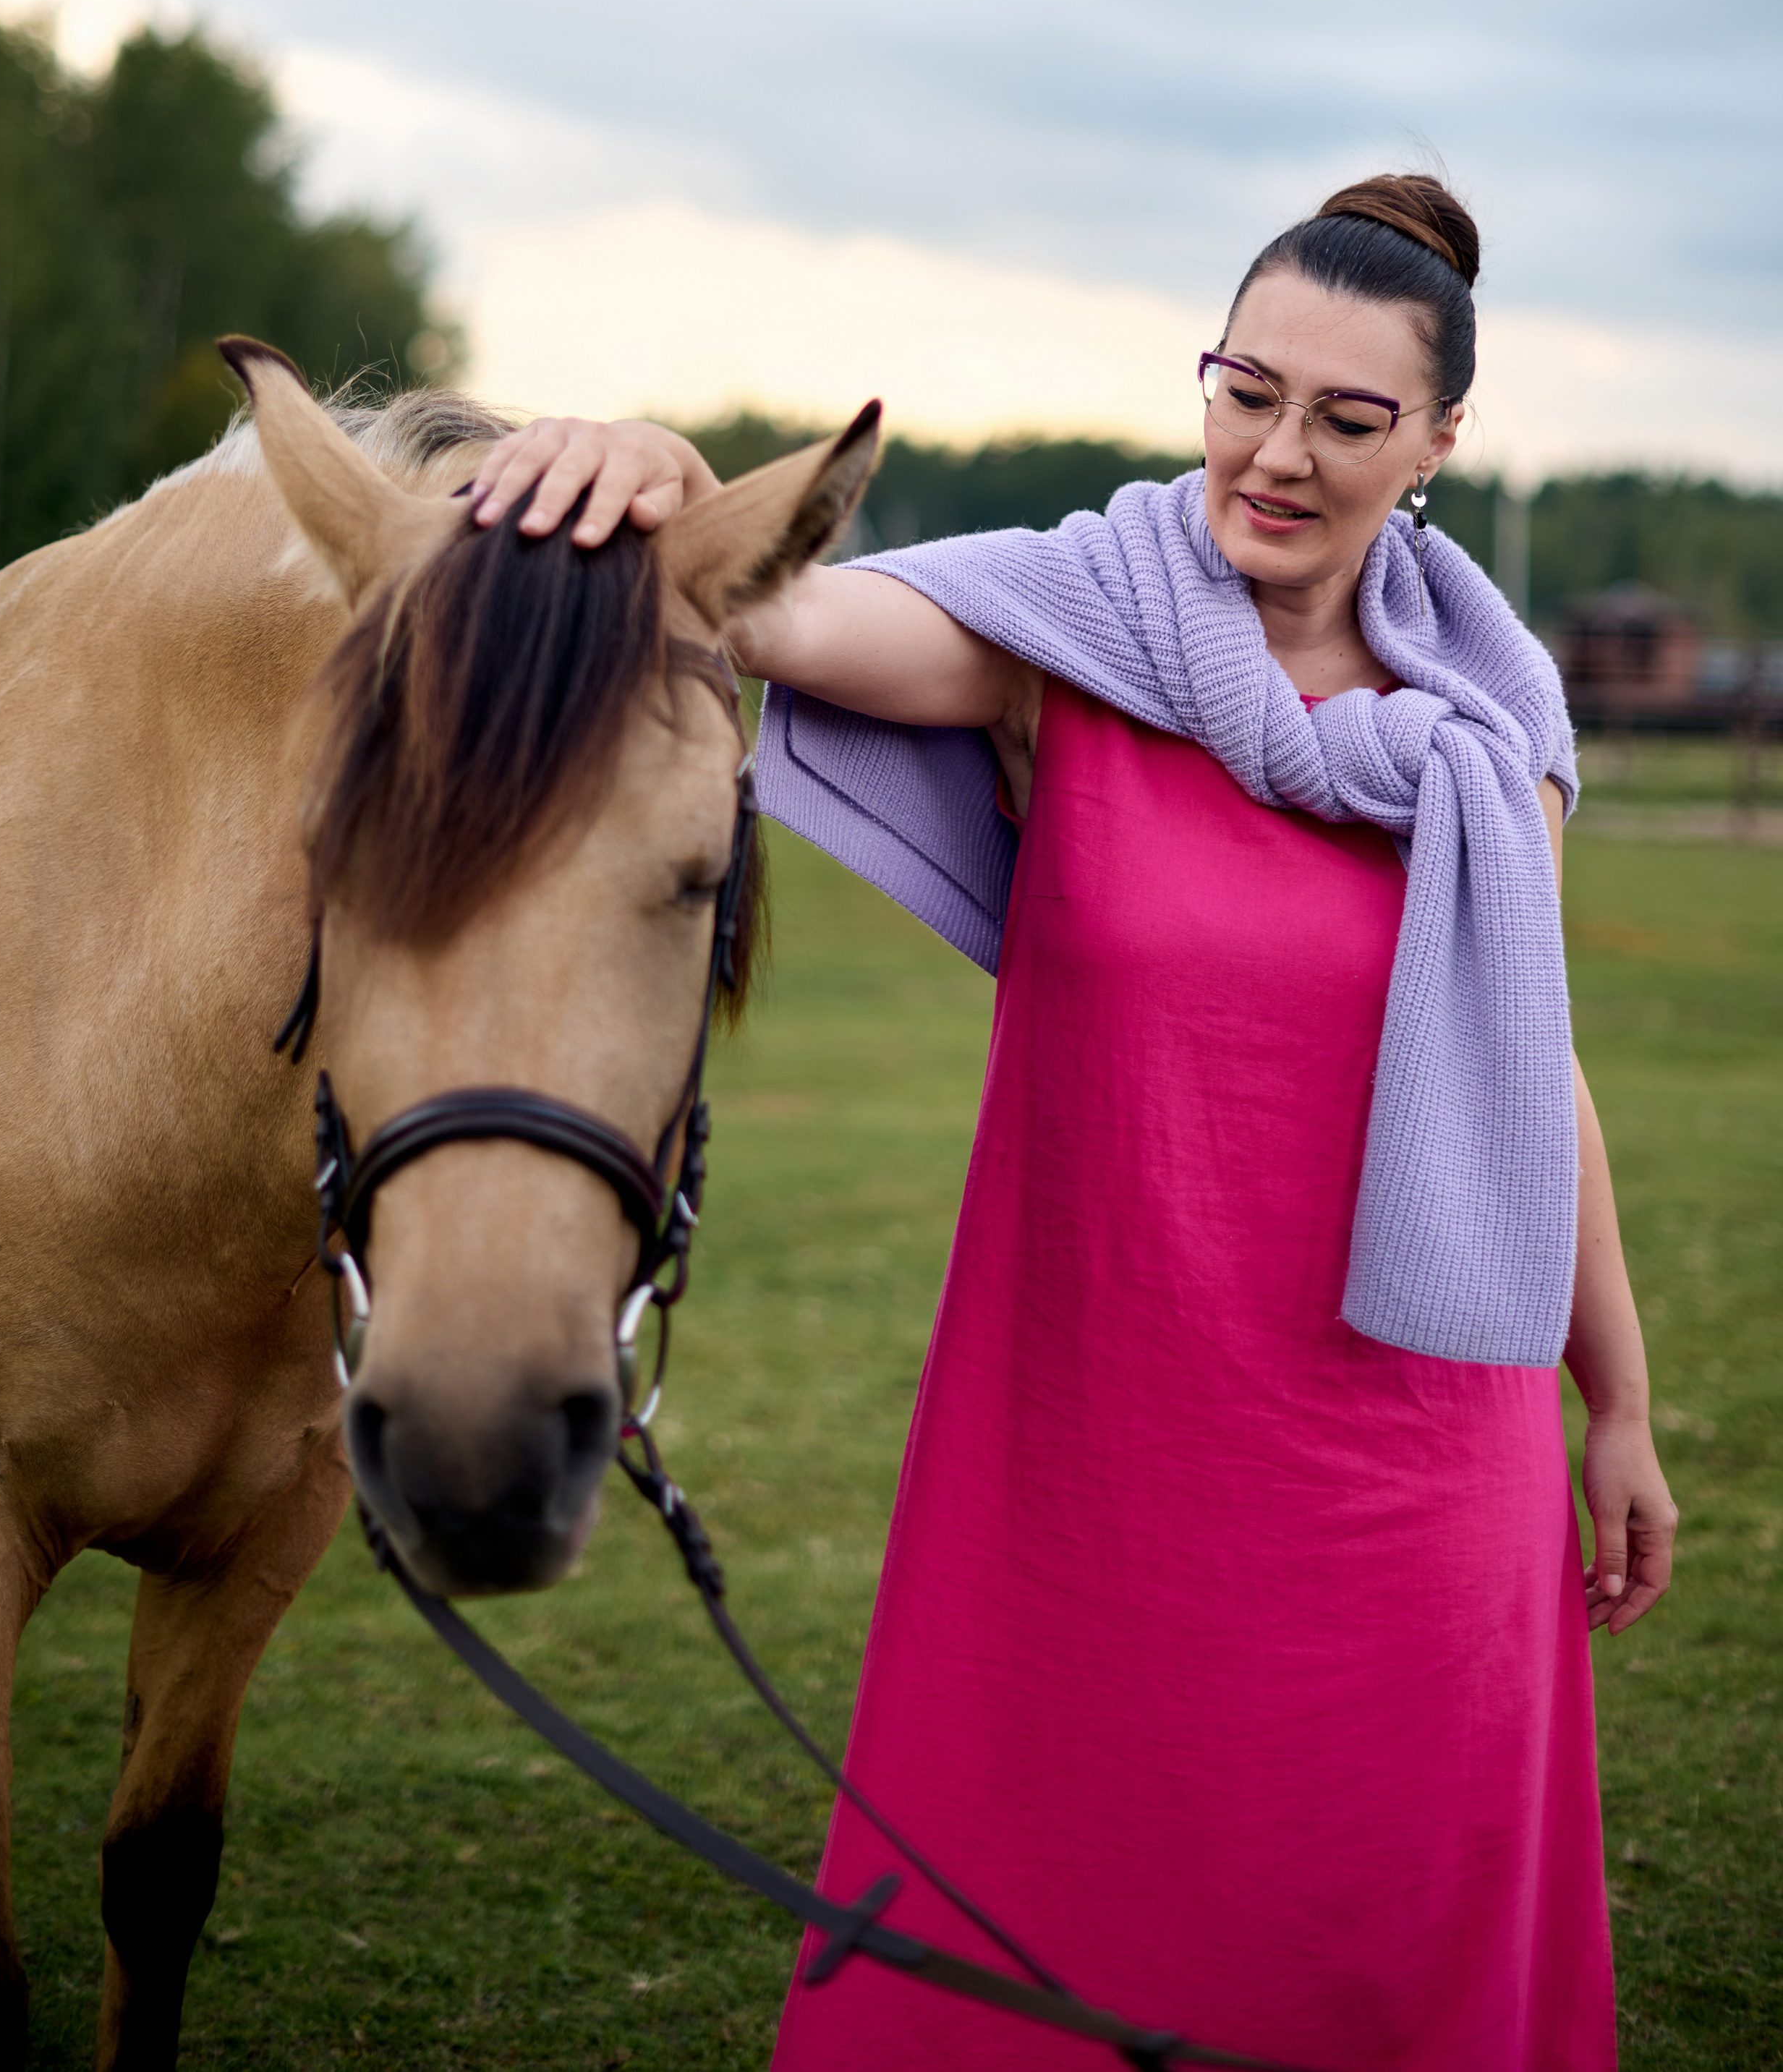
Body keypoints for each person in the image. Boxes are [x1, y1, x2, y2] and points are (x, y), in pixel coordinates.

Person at [469, 174, 1675, 2072]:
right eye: (1244, 390)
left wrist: (1618, 1405)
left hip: (1419, 1472)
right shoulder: (1071, 639)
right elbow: (762, 615)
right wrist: (654, 468)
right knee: (1045, 1937)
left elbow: (1538, 1072)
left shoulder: (1484, 730)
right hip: (1097, 1468)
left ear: (1440, 442)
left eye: (1348, 421)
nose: (1276, 456)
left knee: (1384, 1966)